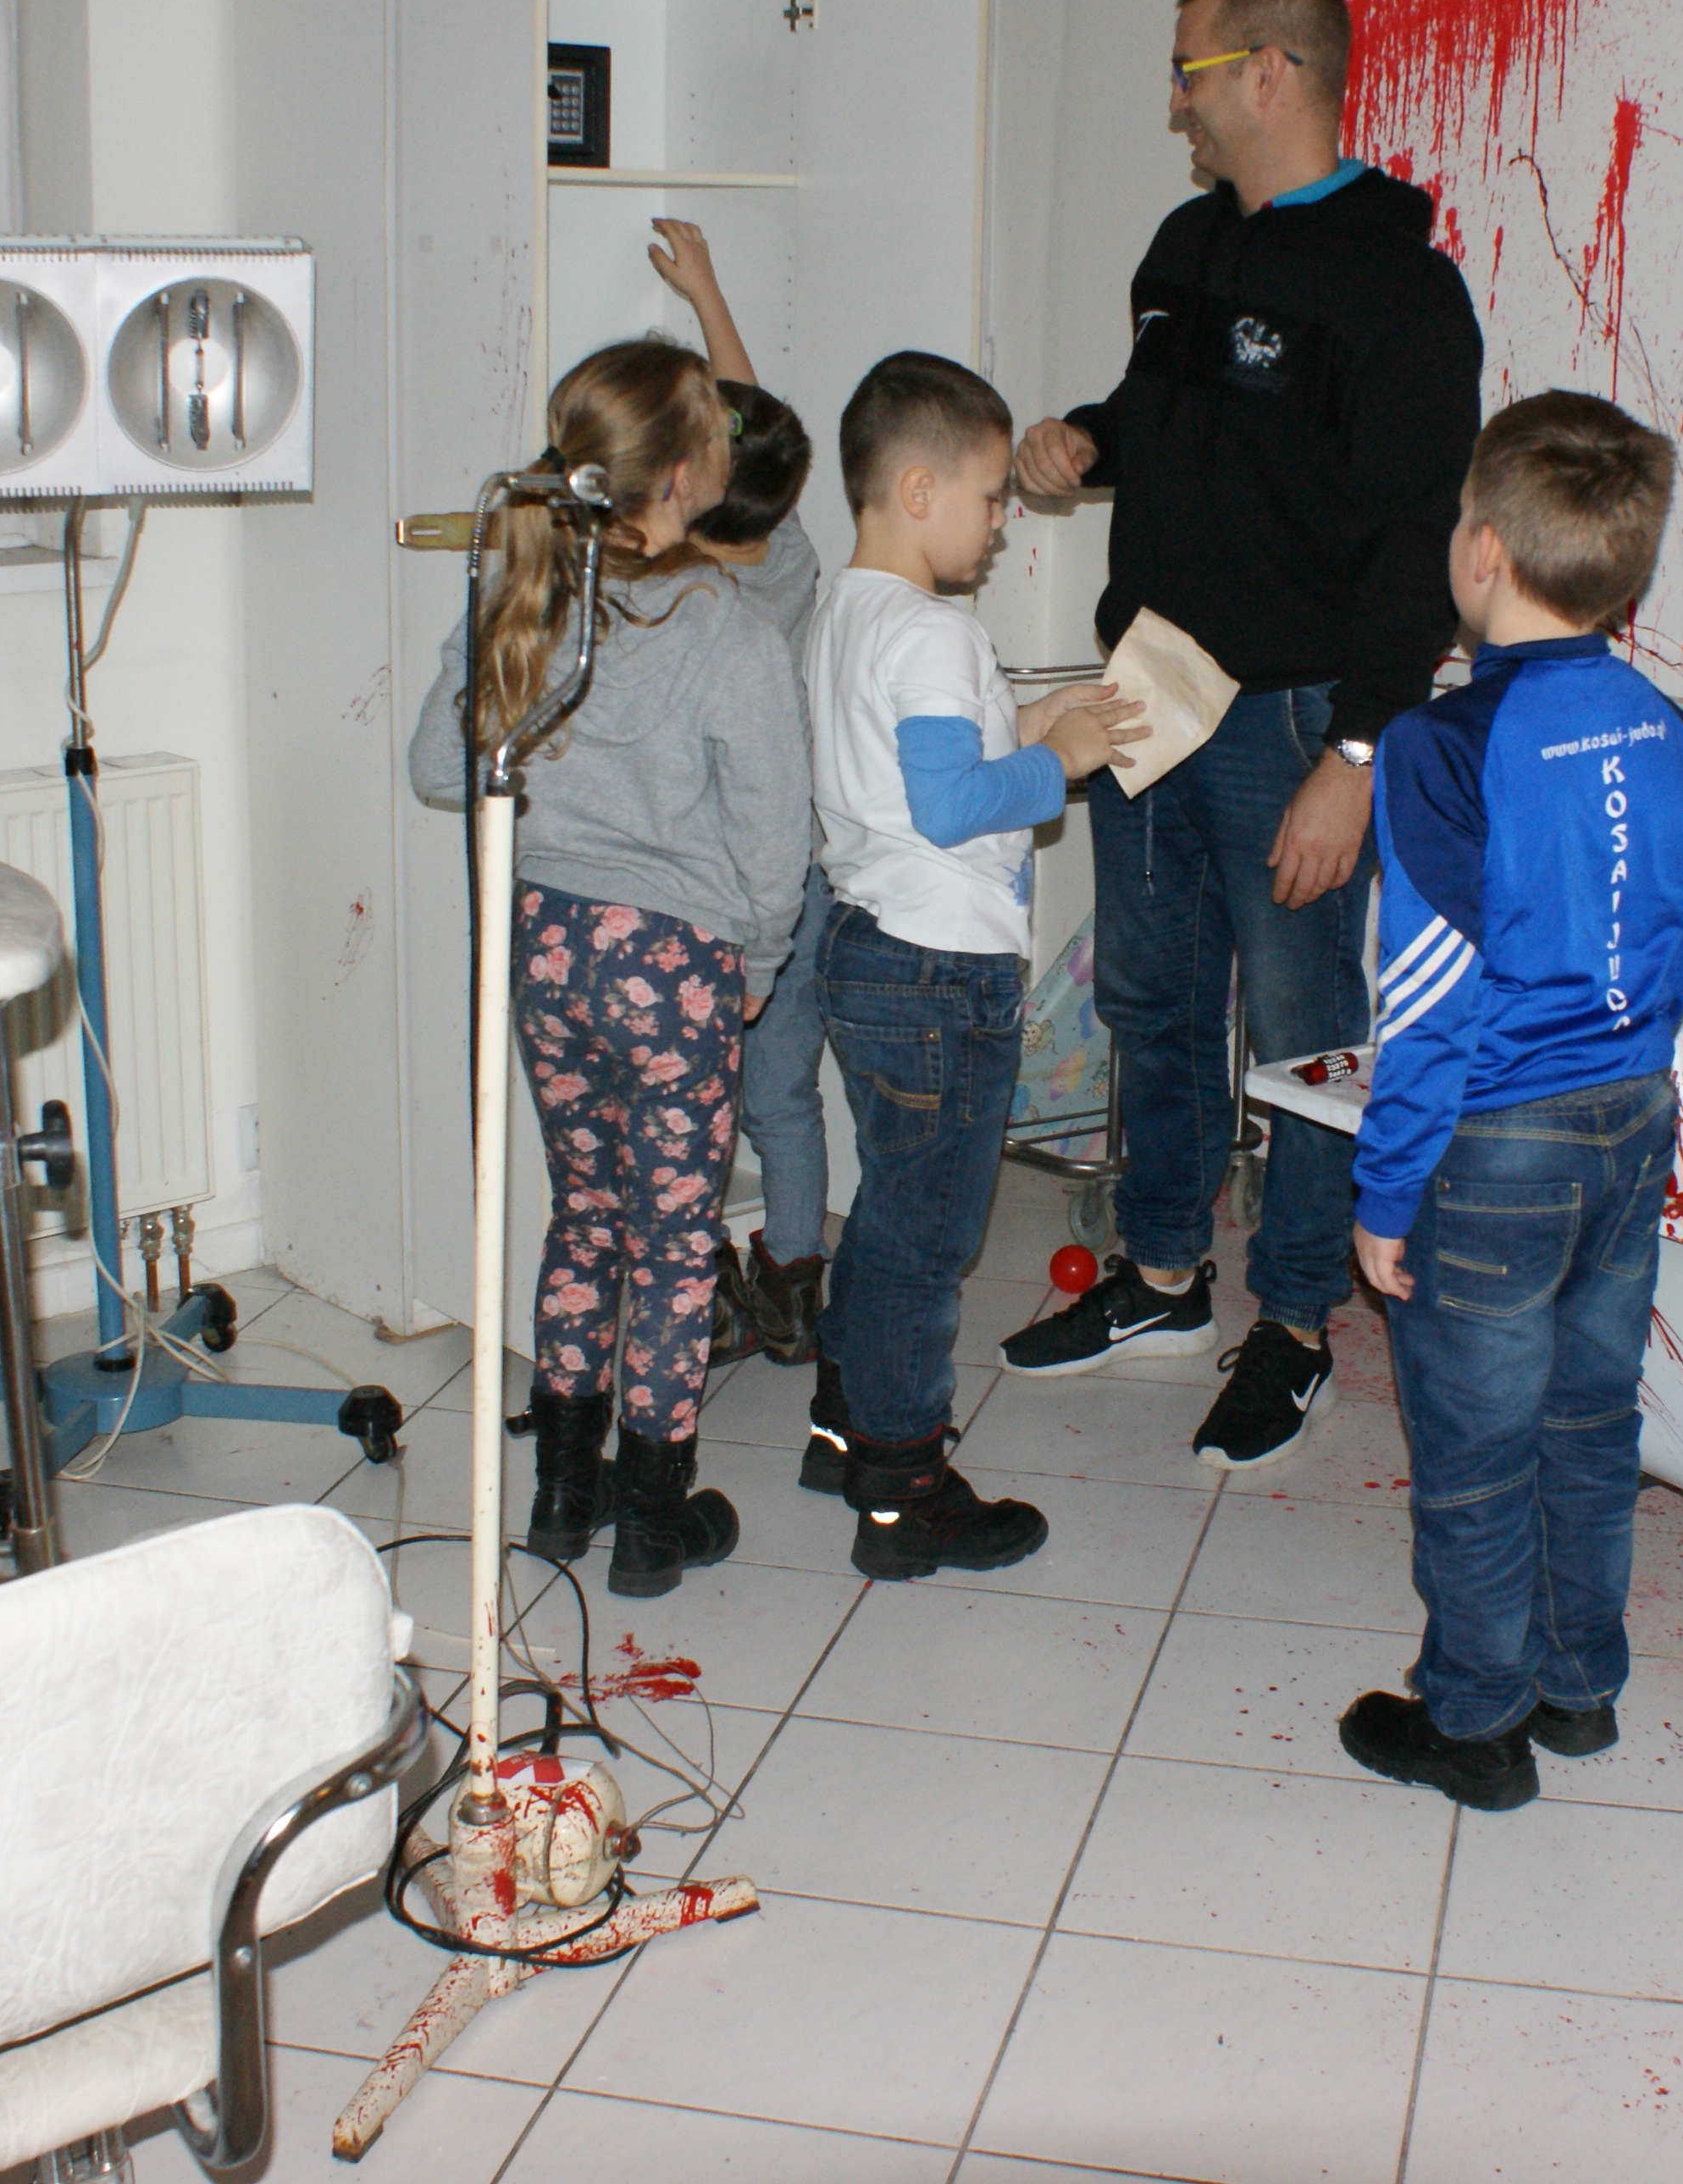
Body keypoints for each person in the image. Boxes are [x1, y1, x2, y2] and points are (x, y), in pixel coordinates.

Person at [1007, 0, 1484, 1470]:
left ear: (1270, 73)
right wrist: (1089, 439)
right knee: (1150, 1005)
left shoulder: (1400, 289)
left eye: (1190, 71)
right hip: (1148, 693)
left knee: (1302, 1037)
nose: (1176, 102)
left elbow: (1416, 544)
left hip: (1291, 721)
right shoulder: (1184, 247)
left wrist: (1359, 754)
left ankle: (1292, 1324)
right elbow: (1169, 420)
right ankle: (1161, 1276)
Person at [1331, 394, 1683, 1811]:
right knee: (1590, 1424)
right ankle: (1577, 1685)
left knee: (1478, 1454)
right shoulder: (1660, 725)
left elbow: (1431, 993)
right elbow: (1682, 914)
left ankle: (1477, 1726)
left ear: (1482, 550)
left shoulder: (1439, 746)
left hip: (1497, 1143)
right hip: (1632, 1120)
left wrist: (1385, 1185)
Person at [405, 337, 810, 1597]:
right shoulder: (729, 630)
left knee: (585, 1216)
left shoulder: (531, 589)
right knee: (677, 1244)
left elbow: (438, 766)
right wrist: (761, 953)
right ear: (686, 477)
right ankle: (649, 1524)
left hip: (546, 949)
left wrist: (483, 634)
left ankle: (561, 1500)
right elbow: (777, 831)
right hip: (674, 965)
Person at [799, 352, 1143, 1575]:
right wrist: (1066, 765)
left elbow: (912, 780)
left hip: (869, 948)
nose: (1003, 522)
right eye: (992, 496)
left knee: (891, 1210)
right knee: (928, 1241)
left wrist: (1038, 725)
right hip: (942, 973)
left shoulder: (847, 614)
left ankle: (843, 1424)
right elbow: (950, 808)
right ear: (916, 489)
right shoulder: (934, 631)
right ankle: (904, 1493)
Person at [645, 217, 833, 1365]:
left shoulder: (677, 589)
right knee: (782, 1096)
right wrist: (709, 294)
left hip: (697, 899)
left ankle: (701, 1281)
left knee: (687, 1107)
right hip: (792, 883)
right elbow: (753, 430)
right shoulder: (790, 552)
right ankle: (795, 1289)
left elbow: (738, 434)